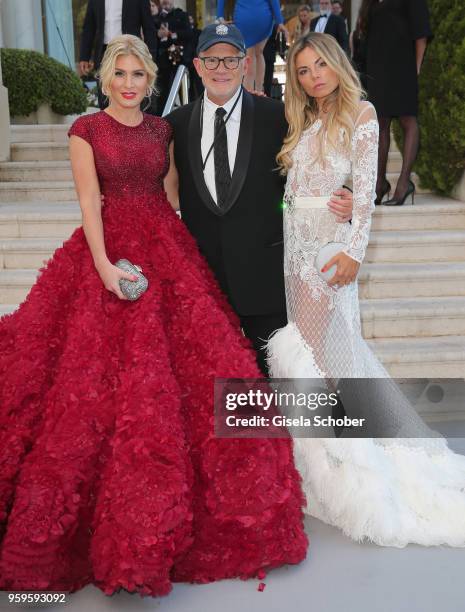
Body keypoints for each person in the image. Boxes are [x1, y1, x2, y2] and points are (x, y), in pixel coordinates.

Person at [0, 34, 309, 595]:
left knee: (194, 367)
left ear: (150, 80)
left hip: (164, 249)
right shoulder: (85, 131)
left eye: (136, 75)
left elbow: (171, 196)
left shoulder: (164, 130)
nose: (126, 83)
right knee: (91, 383)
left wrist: (177, 261)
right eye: (118, 74)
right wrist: (101, 264)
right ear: (105, 80)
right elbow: (89, 202)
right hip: (106, 251)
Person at [266, 32, 465, 547]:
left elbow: (367, 190)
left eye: (320, 66)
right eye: (304, 70)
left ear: (337, 63)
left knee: (329, 357)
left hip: (329, 254)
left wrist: (353, 247)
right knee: (315, 355)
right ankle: (322, 462)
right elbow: (296, 192)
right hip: (295, 248)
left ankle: (353, 468)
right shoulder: (304, 119)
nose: (314, 77)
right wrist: (292, 215)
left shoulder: (363, 114)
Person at [165, 23, 354, 376]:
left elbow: (320, 165)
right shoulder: (174, 124)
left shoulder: (279, 117)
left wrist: (348, 199)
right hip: (204, 283)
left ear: (246, 65)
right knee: (214, 390)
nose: (222, 69)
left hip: (265, 281)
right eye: (212, 60)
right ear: (197, 65)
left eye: (231, 60)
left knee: (274, 384)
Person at [359, 0, 432, 206]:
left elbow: (421, 34)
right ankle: (379, 183)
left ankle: (403, 183)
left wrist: (416, 68)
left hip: (403, 66)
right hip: (377, 69)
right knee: (380, 123)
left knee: (408, 119)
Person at [79, 0, 158, 110]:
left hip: (131, 51)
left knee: (132, 91)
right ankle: (106, 125)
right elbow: (89, 27)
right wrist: (84, 56)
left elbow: (149, 27)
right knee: (104, 94)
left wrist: (150, 57)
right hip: (104, 52)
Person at [217, 0, 288, 92]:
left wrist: (220, 16)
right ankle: (259, 91)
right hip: (264, 16)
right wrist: (280, 21)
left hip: (244, 16)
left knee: (249, 54)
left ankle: (248, 93)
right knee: (259, 53)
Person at [153, 0, 194, 114]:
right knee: (163, 91)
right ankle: (162, 117)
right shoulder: (156, 17)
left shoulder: (181, 15)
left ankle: (187, 115)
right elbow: (151, 35)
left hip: (180, 60)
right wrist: (158, 34)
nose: (166, 2)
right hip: (163, 62)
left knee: (183, 91)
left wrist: (171, 34)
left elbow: (189, 34)